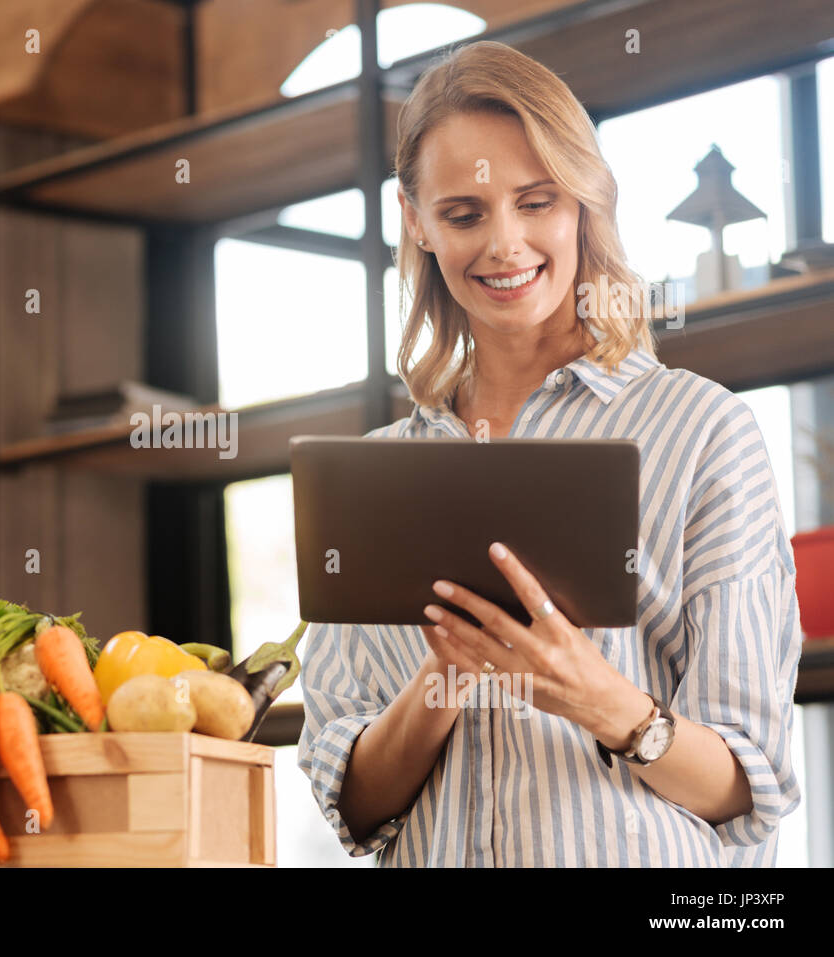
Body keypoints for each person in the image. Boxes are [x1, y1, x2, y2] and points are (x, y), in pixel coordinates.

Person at [297, 40, 803, 866]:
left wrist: (606, 704)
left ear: (582, 203)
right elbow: (353, 803)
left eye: (536, 201)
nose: (504, 244)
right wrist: (442, 681)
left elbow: (749, 785)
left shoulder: (702, 431)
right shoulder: (371, 478)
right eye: (463, 213)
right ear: (415, 220)